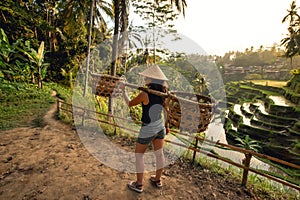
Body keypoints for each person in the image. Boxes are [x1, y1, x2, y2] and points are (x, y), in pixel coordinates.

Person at [120, 64, 169, 193]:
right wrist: (166, 125)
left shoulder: (144, 94)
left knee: (139, 155)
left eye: (147, 77)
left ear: (152, 79)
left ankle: (139, 184)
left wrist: (123, 90)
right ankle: (157, 180)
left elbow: (130, 103)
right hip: (159, 127)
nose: (145, 78)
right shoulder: (164, 94)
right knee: (160, 154)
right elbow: (166, 112)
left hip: (148, 128)